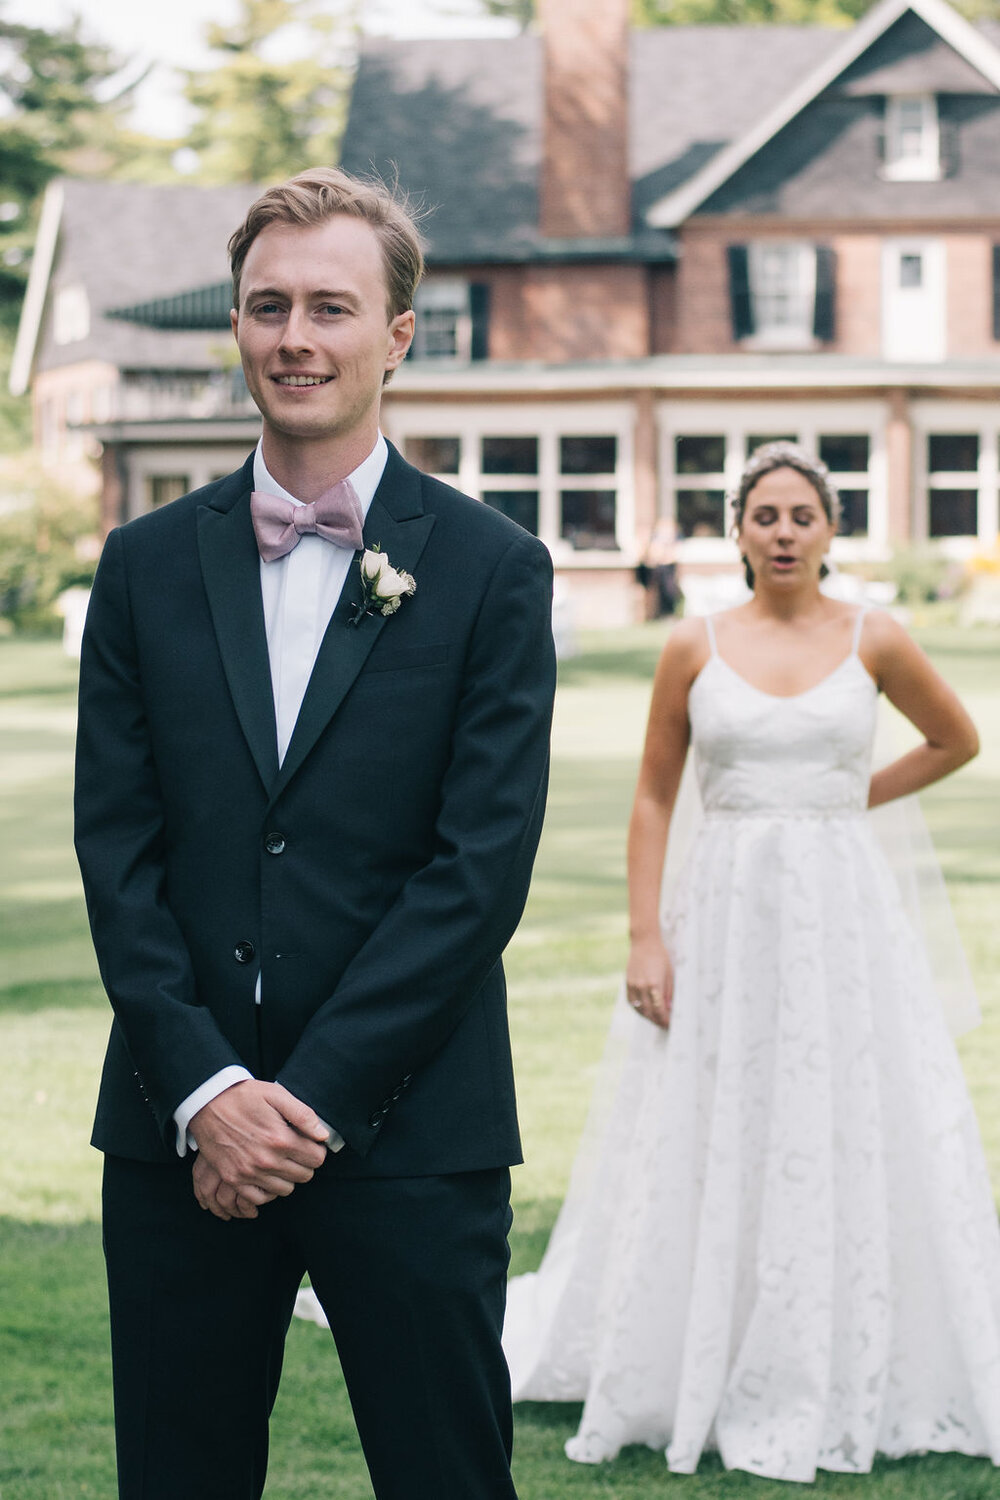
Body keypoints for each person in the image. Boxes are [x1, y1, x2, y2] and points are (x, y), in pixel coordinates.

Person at [74, 166, 556, 1500]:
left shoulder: (491, 570)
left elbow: (478, 873)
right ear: (236, 322)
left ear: (399, 333)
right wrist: (213, 1095)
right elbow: (117, 855)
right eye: (269, 306)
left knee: (446, 1479)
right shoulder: (143, 565)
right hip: (180, 1130)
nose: (297, 337)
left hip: (412, 1127)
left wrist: (314, 1100)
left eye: (332, 307)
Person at [503, 442, 1000, 1481]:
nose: (782, 533)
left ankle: (853, 1343)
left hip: (841, 919)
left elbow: (956, 740)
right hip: (717, 913)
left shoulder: (877, 637)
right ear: (736, 533)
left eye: (800, 516)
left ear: (829, 532)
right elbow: (651, 793)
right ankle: (694, 1343)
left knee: (849, 1113)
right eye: (763, 515)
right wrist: (644, 935)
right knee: (711, 1117)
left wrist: (841, 797)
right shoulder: (693, 644)